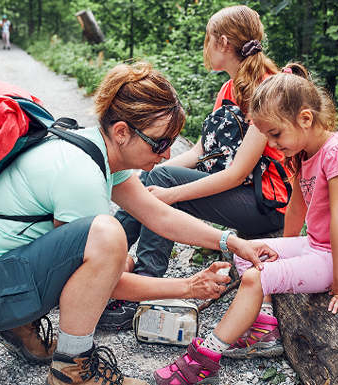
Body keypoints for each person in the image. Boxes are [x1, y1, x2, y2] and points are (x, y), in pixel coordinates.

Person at [0, 62, 277, 385]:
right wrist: (187, 288)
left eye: (172, 143)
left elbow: (159, 215)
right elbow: (101, 285)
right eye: (160, 142)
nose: (166, 155)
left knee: (108, 244)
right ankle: (72, 370)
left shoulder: (91, 147)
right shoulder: (81, 174)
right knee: (108, 235)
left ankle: (18, 322)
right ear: (122, 132)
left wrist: (229, 241)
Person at [152, 62, 338, 385]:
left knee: (257, 276)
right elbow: (297, 205)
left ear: (305, 118)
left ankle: (207, 356)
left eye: (275, 134)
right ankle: (264, 325)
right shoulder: (305, 151)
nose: (272, 142)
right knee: (251, 252)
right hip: (318, 246)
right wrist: (282, 253)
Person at [100, 5, 290, 361]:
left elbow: (235, 173)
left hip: (264, 203)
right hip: (240, 190)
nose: (205, 46)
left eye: (207, 39)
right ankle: (105, 265)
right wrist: (155, 165)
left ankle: (140, 282)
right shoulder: (229, 88)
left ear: (221, 42)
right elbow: (204, 152)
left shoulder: (268, 89)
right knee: (155, 175)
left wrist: (168, 191)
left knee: (162, 183)